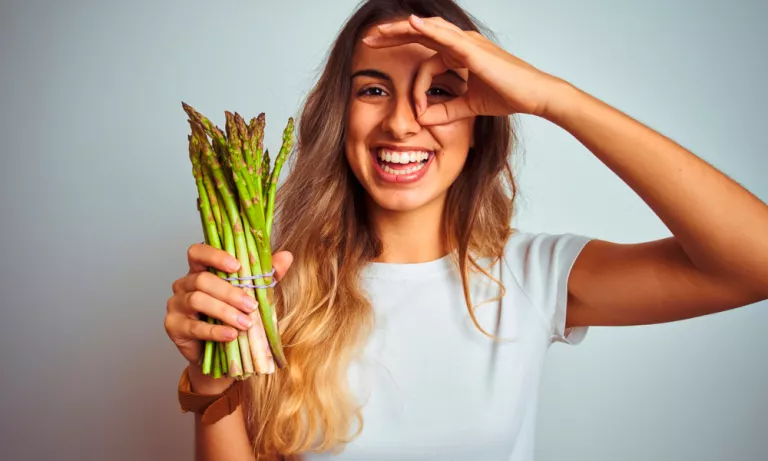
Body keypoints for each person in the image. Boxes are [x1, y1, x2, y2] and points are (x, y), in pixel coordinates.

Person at [163, 0, 768, 459]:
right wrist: (212, 379)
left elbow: (755, 261)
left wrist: (553, 98)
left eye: (441, 92)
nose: (403, 123)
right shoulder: (268, 287)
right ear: (337, 116)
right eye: (374, 90)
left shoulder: (535, 275)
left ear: (482, 121)